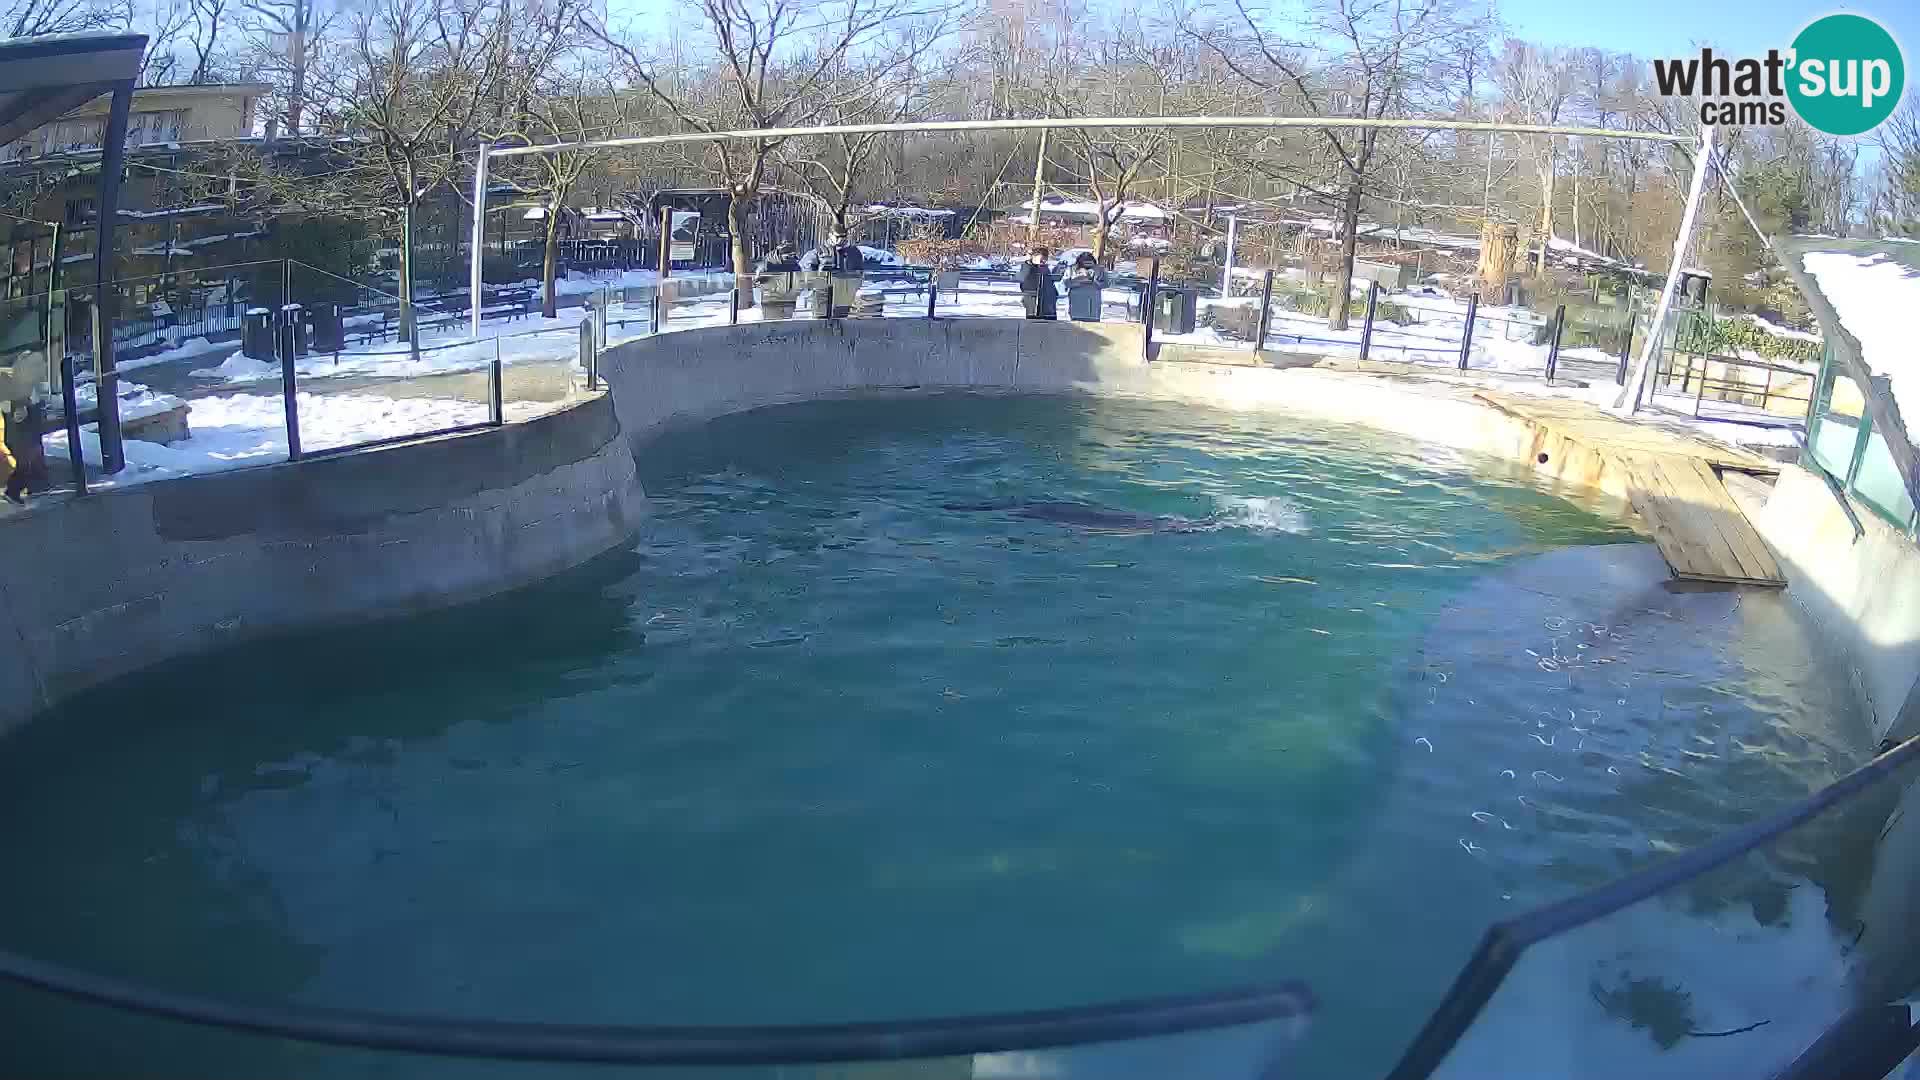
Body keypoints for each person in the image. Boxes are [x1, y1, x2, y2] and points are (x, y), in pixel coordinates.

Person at [799, 228, 866, 318]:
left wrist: (854, 286)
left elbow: (860, 272)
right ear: (830, 235)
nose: (841, 239)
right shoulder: (819, 251)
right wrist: (816, 283)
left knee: (843, 322)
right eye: (838, 236)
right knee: (821, 323)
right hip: (823, 296)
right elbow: (806, 269)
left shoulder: (854, 252)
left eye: (843, 236)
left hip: (845, 296)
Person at [756, 242, 803, 319]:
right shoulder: (767, 264)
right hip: (773, 299)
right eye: (789, 255)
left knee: (782, 322)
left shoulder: (794, 264)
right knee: (774, 322)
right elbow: (759, 280)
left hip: (786, 298)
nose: (791, 256)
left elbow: (799, 281)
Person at [1063, 252, 1109, 322]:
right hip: (1076, 302)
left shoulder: (1099, 269)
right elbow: (1066, 283)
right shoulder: (1071, 269)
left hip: (1093, 303)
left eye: (1089, 263)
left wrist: (1095, 282)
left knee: (1092, 325)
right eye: (1084, 263)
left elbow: (1106, 284)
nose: (1086, 266)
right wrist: (1079, 281)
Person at [1018, 247, 1058, 320]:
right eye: (1041, 258)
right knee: (1033, 321)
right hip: (1033, 299)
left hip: (1047, 303)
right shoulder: (1028, 267)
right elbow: (1021, 278)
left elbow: (1050, 282)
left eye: (1045, 258)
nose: (1043, 261)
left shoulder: (1045, 268)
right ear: (1034, 256)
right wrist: (1031, 264)